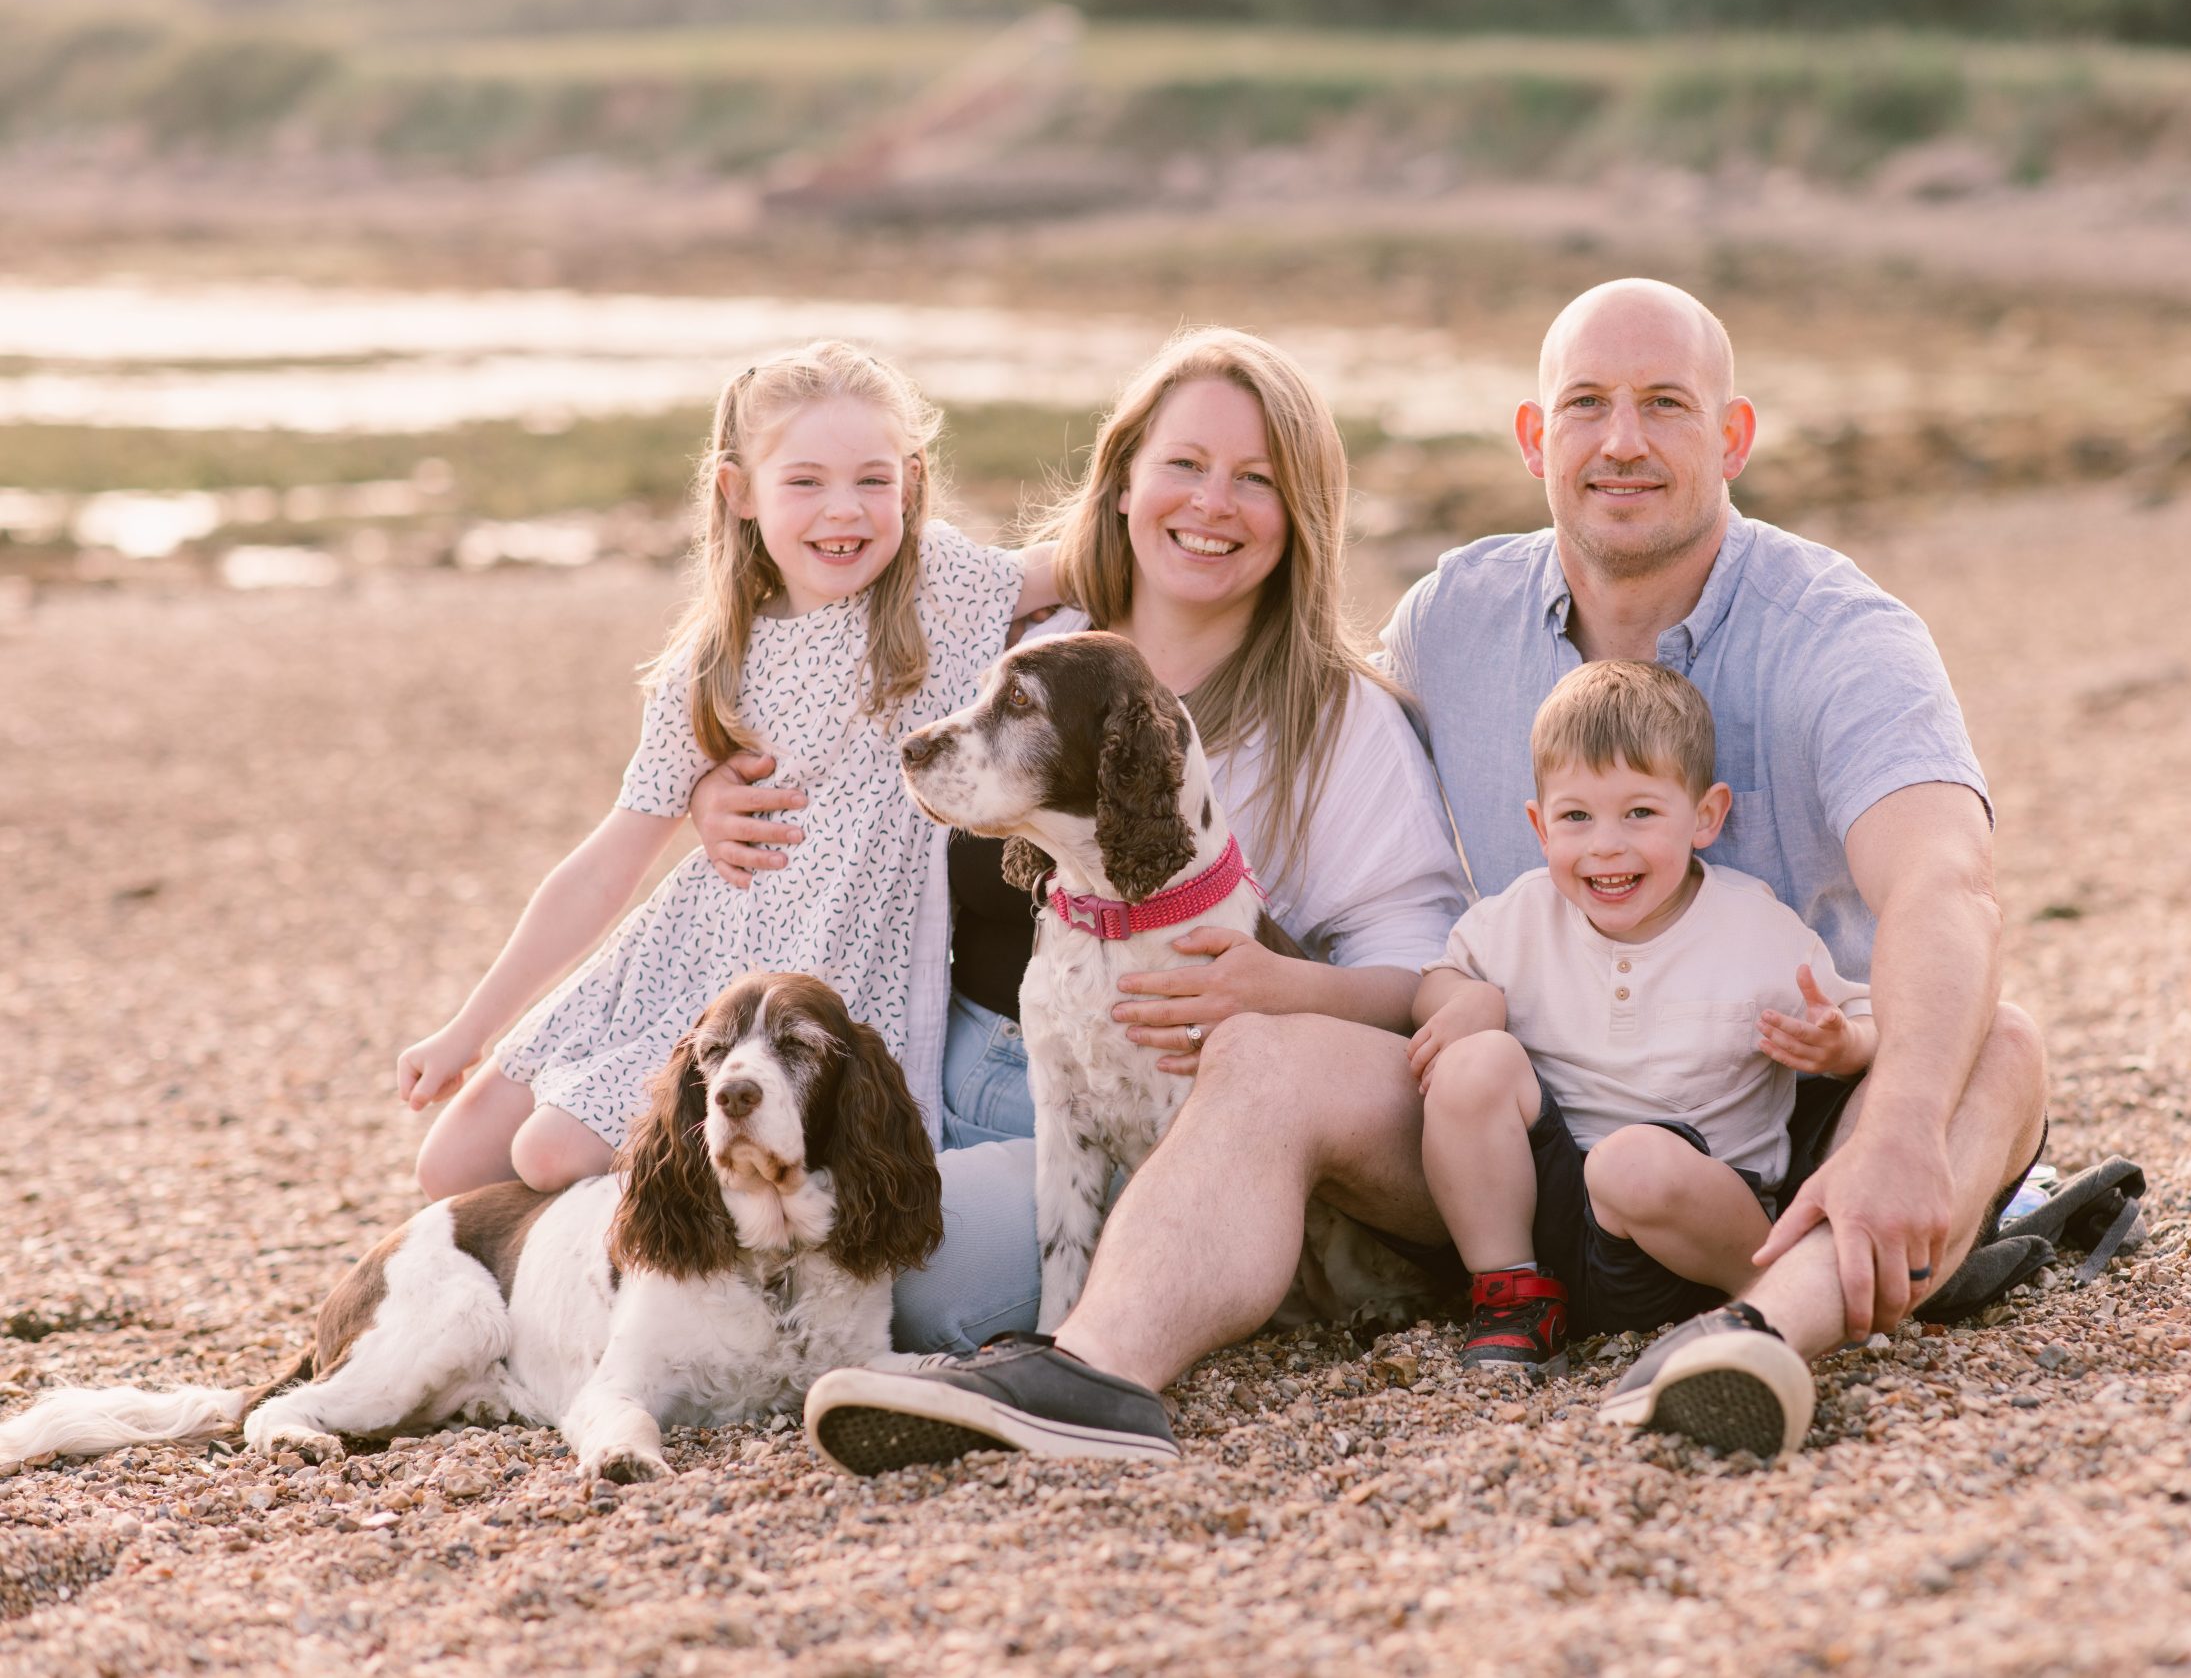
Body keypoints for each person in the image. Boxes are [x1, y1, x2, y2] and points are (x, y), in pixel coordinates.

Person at [799, 277, 2049, 1468]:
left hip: (1786, 1116)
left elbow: (1946, 885)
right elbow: (1235, 606)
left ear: (1731, 435)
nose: (1622, 441)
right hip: (1509, 1139)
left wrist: (1893, 1128)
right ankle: (1089, 1372)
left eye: (1664, 404)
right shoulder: (1457, 617)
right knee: (1267, 1051)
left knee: (2005, 1050)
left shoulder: (1837, 633)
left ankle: (1758, 1338)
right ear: (1530, 436)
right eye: (1585, 406)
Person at [686, 326, 1471, 1354]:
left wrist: (1293, 988)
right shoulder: (1013, 645)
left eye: (1256, 479)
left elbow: (1420, 972)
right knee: (691, 1201)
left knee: (906, 1281)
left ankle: (1141, 1302)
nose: (1211, 503)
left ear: (1301, 515)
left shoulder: (1338, 718)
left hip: (1167, 1117)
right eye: (1183, 464)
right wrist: (712, 781)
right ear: (1122, 482)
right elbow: (813, 674)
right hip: (928, 1059)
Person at [398, 341, 1041, 1198]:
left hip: (805, 985)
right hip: (680, 956)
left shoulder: (943, 590)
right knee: (446, 1166)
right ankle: (565, 1272)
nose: (843, 512)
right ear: (739, 492)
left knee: (547, 1154)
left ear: (913, 484)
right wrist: (467, 1028)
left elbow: (1098, 556)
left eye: (873, 480)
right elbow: (606, 865)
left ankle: (648, 1275)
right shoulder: (712, 668)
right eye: (804, 482)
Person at [1410, 660, 1874, 1376]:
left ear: (1706, 816)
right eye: (1576, 817)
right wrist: (1464, 998)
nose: (1605, 844)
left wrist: (1840, 1045)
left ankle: (1771, 1299)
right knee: (1474, 1060)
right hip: (1551, 1214)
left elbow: (1866, 1020)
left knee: (1630, 1165)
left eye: (1640, 813)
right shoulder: (1521, 919)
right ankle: (1512, 1297)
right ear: (1539, 825)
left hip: (1692, 1220)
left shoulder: (1753, 928)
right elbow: (1436, 988)